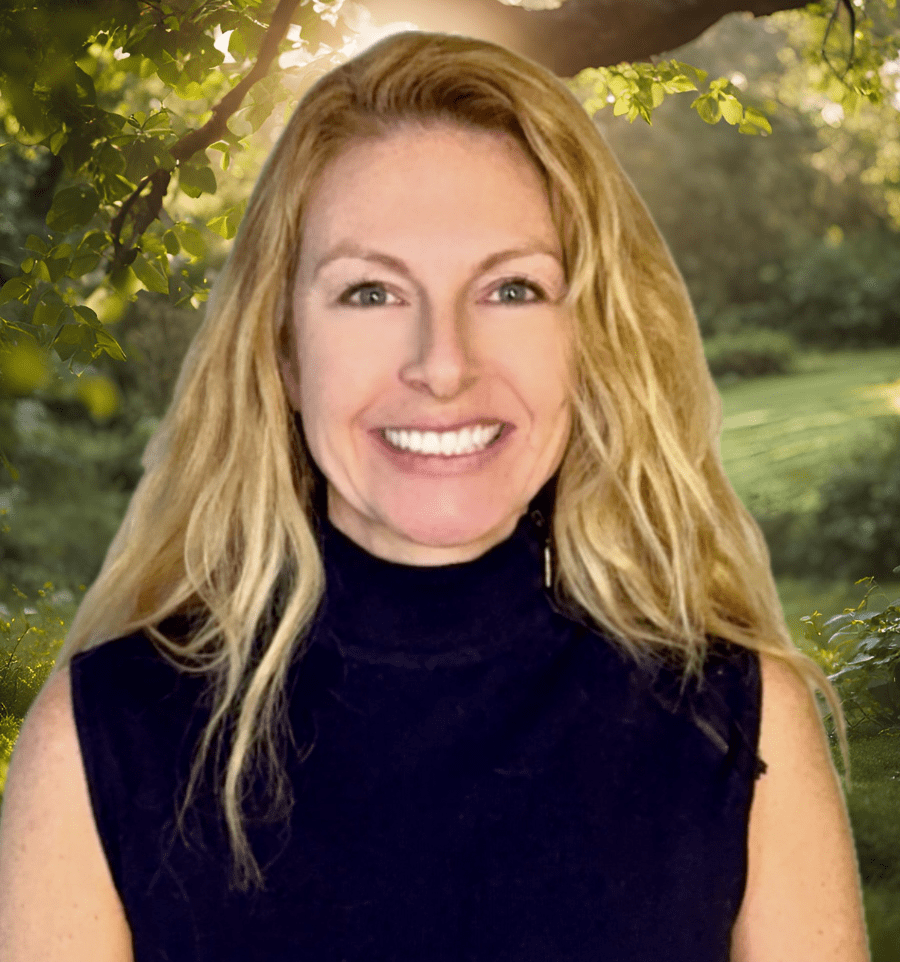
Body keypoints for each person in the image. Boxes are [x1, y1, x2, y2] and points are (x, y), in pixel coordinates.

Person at [0, 30, 869, 962]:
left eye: (511, 288)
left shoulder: (737, 717)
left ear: (592, 339)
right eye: (371, 293)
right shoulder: (101, 739)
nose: (443, 365)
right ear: (284, 351)